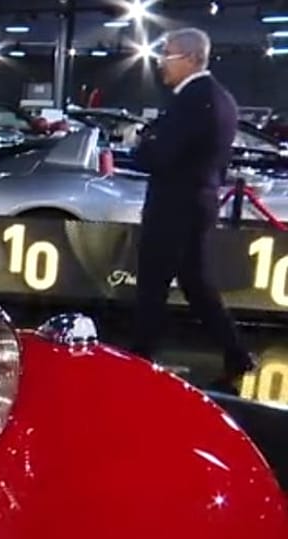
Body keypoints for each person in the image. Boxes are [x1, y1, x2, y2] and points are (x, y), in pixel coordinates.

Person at [132, 28, 255, 388]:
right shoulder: (222, 98)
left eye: (166, 54)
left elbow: (159, 155)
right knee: (197, 286)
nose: (160, 62)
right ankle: (237, 353)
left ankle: (139, 362)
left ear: (189, 58)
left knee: (152, 286)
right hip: (199, 204)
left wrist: (142, 144)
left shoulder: (193, 101)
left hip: (175, 207)